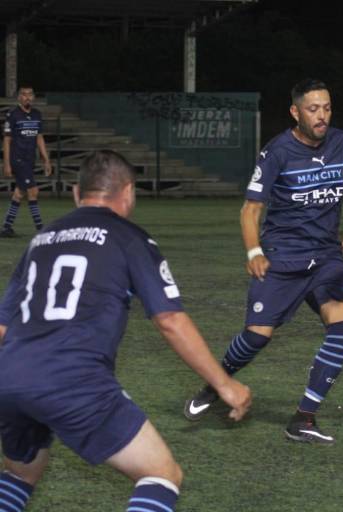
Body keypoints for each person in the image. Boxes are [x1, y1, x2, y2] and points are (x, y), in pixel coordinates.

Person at [0, 150, 251, 511]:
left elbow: (4, 325)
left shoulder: (42, 240)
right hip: (74, 378)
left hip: (10, 376)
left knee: (20, 475)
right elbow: (170, 320)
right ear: (129, 192)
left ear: (76, 193)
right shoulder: (129, 237)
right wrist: (225, 385)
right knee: (161, 474)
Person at [183, 79, 343, 444]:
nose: (322, 116)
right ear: (295, 112)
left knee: (342, 320)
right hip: (282, 257)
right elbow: (250, 210)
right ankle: (215, 384)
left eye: (327, 108)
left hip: (326, 255)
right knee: (257, 337)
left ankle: (303, 419)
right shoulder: (276, 152)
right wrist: (254, 251)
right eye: (313, 109)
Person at [1, 86, 52, 237]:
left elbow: (39, 138)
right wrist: (7, 163)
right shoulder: (13, 114)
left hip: (30, 160)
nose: (27, 97)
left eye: (30, 94)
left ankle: (6, 227)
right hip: (17, 159)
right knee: (33, 191)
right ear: (19, 98)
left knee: (19, 193)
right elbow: (7, 140)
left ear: (34, 97)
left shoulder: (37, 114)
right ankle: (40, 229)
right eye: (24, 94)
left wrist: (46, 160)